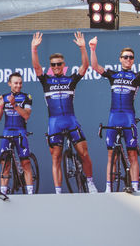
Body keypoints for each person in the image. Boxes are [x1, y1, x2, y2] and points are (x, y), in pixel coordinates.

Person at [31, 31, 98, 194]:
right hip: (55, 123)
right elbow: (37, 67)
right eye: (53, 65)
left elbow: (85, 67)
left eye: (58, 64)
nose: (56, 67)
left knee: (84, 154)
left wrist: (83, 48)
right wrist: (34, 49)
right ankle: (58, 192)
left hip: (71, 120)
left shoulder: (70, 80)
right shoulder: (46, 80)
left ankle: (90, 183)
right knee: (56, 158)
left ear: (63, 65)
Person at [89, 37, 140, 192]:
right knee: (112, 156)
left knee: (132, 155)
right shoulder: (113, 75)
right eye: (125, 57)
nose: (128, 59)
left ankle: (135, 187)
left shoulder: (137, 76)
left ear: (133, 60)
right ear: (120, 59)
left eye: (131, 57)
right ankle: (108, 189)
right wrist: (92, 49)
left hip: (128, 117)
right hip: (114, 118)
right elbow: (95, 66)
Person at [0, 72, 34, 195]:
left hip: (20, 131)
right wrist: (1, 107)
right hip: (7, 131)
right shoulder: (3, 97)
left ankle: (31, 194)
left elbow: (26, 115)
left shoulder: (26, 97)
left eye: (20, 83)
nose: (18, 85)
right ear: (9, 84)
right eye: (16, 83)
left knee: (25, 163)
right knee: (5, 164)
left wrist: (15, 105)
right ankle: (3, 193)